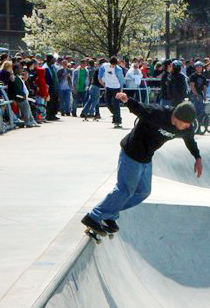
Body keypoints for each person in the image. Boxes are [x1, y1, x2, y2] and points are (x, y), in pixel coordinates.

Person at [81, 96, 202, 235]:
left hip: (146, 158)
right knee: (125, 190)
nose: (187, 127)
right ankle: (94, 216)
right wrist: (127, 100)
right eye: (185, 123)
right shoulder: (158, 113)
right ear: (176, 117)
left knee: (143, 192)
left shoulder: (186, 128)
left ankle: (109, 213)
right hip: (131, 153)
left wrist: (197, 157)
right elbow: (139, 108)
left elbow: (190, 140)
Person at [98, 56, 125, 127]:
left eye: (114, 65)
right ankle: (116, 115)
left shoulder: (118, 69)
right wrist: (104, 85)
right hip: (108, 87)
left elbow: (121, 80)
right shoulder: (104, 66)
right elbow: (100, 76)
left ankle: (117, 120)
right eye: (112, 65)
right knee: (107, 103)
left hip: (116, 88)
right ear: (109, 63)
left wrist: (121, 90)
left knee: (116, 104)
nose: (113, 66)